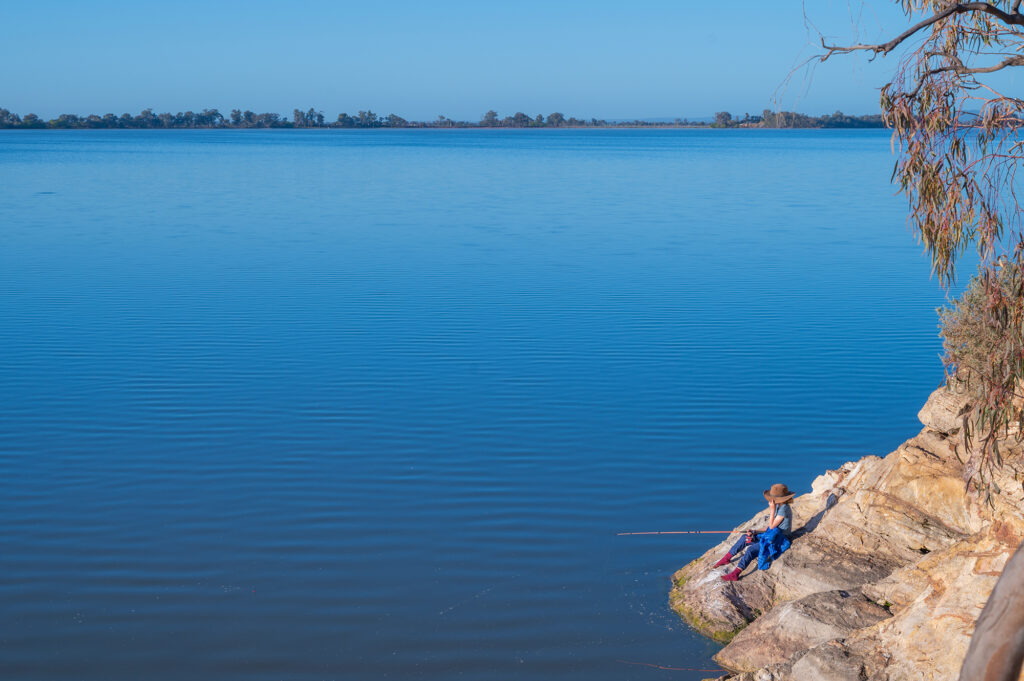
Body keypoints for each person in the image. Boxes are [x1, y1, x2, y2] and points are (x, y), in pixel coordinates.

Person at [715, 483, 795, 582]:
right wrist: (755, 531)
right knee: (745, 537)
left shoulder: (784, 509)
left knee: (751, 550)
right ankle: (726, 558)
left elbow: (771, 526)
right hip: (772, 534)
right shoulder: (779, 506)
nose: (770, 500)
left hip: (779, 539)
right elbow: (770, 528)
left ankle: (735, 574)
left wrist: (772, 509)